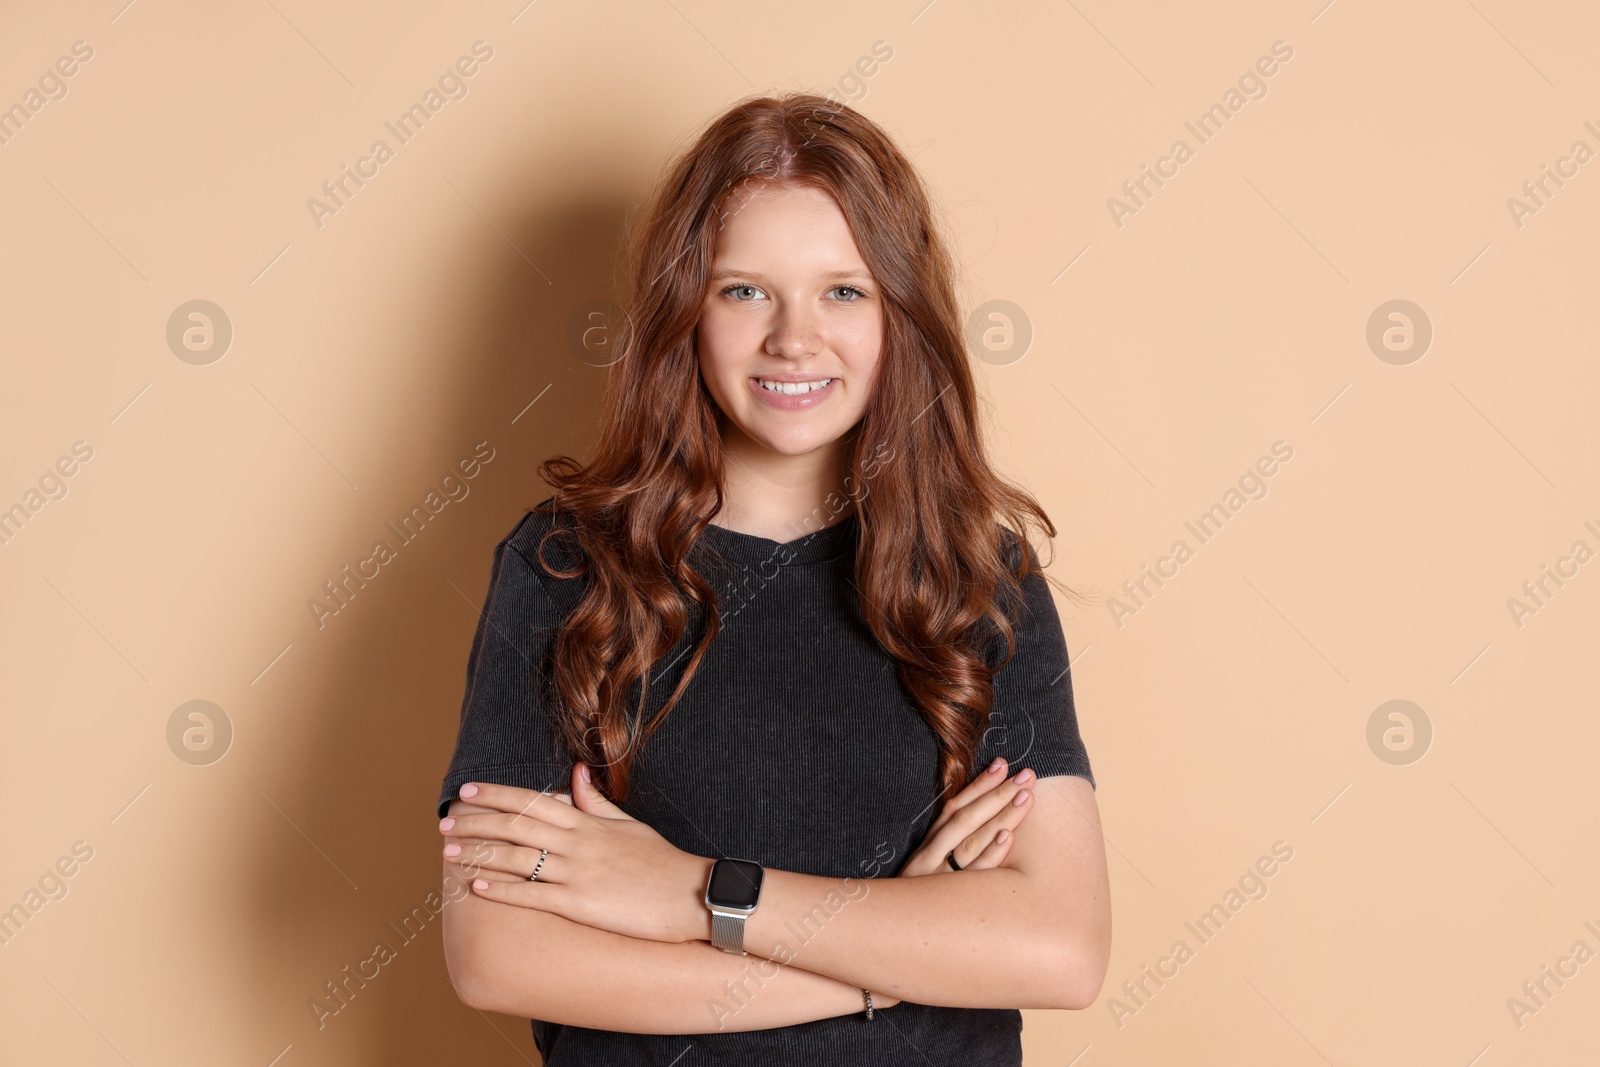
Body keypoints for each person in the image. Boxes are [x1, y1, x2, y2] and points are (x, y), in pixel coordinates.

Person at [435, 90, 1111, 1065]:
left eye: (844, 290)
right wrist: (893, 957)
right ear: (685, 309)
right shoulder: (564, 566)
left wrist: (693, 891)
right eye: (744, 290)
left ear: (899, 313)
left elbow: (1057, 948)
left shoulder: (977, 576)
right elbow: (496, 953)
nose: (795, 338)